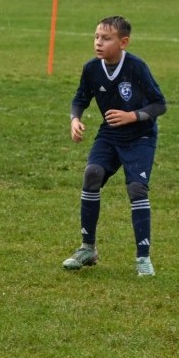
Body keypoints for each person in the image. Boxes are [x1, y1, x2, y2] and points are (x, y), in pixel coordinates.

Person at [63, 16, 167, 277]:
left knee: (136, 188)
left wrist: (132, 116)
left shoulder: (136, 67)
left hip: (140, 137)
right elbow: (80, 98)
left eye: (106, 38)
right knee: (92, 174)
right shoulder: (91, 68)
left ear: (123, 42)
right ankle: (88, 248)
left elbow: (159, 104)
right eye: (96, 37)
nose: (99, 42)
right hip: (110, 135)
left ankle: (143, 257)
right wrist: (75, 119)